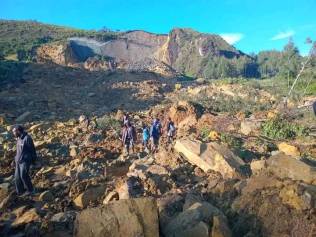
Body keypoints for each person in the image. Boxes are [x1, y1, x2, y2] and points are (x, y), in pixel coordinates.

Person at [12, 125, 37, 196]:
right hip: (18, 161)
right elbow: (18, 151)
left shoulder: (27, 138)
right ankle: (20, 192)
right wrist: (15, 160)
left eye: (14, 131)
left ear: (18, 131)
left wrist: (33, 161)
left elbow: (32, 150)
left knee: (24, 176)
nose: (13, 133)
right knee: (17, 177)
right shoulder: (18, 138)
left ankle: (31, 190)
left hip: (25, 161)